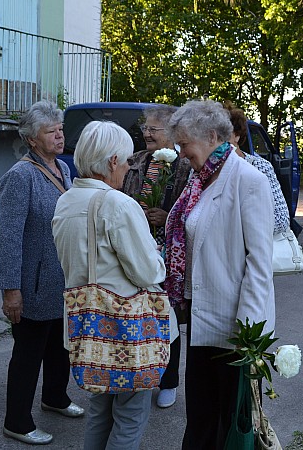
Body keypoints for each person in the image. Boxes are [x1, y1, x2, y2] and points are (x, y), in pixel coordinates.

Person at [53, 120, 177, 449]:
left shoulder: (66, 200)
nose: (128, 167)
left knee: (100, 412)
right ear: (112, 162)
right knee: (130, 416)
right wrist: (158, 256)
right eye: (126, 161)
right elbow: (148, 273)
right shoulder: (118, 204)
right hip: (126, 329)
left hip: (89, 326)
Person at [164, 100, 275, 449]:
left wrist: (248, 330)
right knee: (201, 415)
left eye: (185, 144)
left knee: (230, 420)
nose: (181, 153)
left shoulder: (248, 180)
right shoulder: (201, 179)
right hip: (202, 315)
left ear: (212, 136)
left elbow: (259, 262)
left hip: (234, 324)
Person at [0, 100, 84, 445]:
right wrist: (10, 290)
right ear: (32, 139)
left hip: (61, 281)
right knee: (28, 355)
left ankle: (55, 397)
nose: (60, 136)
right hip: (31, 286)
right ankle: (16, 421)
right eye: (51, 131)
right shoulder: (19, 177)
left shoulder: (62, 167)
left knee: (60, 347)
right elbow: (6, 238)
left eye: (60, 129)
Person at [121, 104, 191, 409]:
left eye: (153, 129)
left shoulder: (186, 166)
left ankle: (169, 380)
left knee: (167, 317)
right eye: (145, 128)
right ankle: (141, 373)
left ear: (171, 133)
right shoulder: (135, 161)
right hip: (136, 249)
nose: (146, 133)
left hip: (168, 254)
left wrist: (168, 217)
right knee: (138, 315)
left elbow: (193, 212)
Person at [224, 102, 290, 235]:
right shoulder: (202, 170)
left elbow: (281, 219)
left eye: (223, 133)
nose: (216, 139)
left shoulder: (260, 166)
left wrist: (237, 232)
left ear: (237, 135)